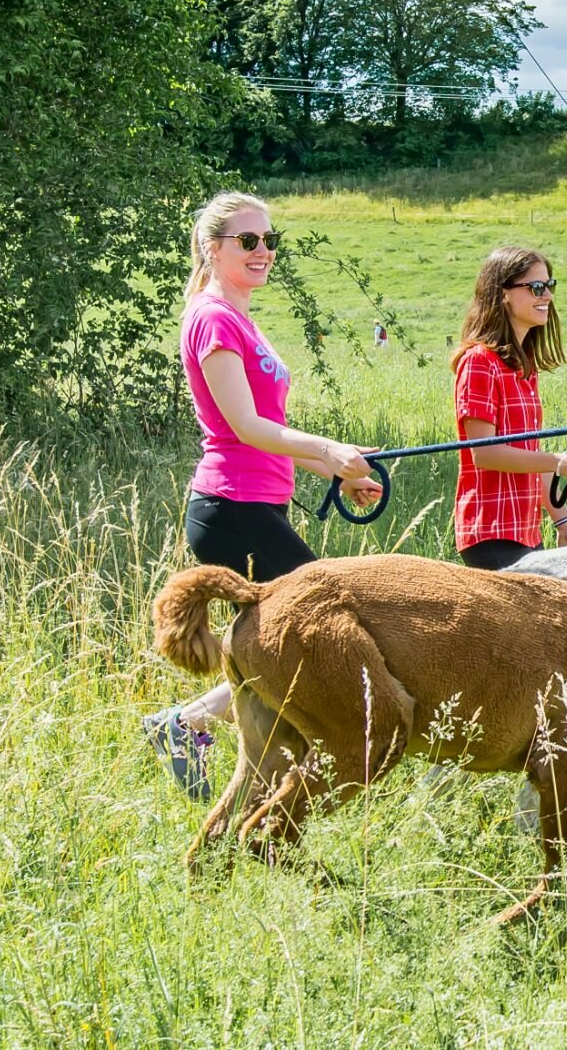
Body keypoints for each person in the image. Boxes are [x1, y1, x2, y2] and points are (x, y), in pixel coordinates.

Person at [143, 191, 383, 800]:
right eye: (248, 241)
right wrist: (327, 451)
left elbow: (267, 435)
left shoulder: (240, 317)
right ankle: (188, 723)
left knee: (290, 637)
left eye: (270, 240)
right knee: (322, 625)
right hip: (231, 509)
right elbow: (244, 427)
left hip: (254, 505)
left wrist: (333, 468)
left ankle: (189, 726)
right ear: (212, 247)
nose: (263, 251)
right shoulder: (214, 318)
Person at [452, 246, 567, 570]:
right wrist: (561, 462)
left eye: (550, 285)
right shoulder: (479, 361)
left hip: (525, 531)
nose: (547, 295)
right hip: (490, 533)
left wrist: (564, 525)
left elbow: (529, 456)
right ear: (503, 293)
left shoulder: (524, 368)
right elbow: (485, 453)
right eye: (536, 287)